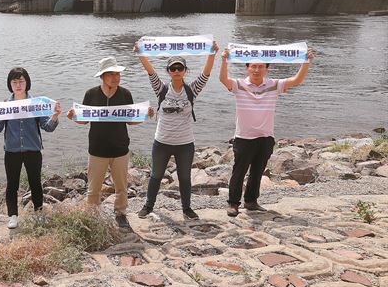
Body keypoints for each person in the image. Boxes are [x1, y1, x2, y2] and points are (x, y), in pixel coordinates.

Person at [219, 47, 315, 217]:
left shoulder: (273, 85)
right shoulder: (239, 85)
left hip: (265, 137)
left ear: (266, 69)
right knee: (239, 171)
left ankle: (251, 201)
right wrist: (224, 61)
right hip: (244, 137)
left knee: (257, 171)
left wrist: (306, 62)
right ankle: (233, 203)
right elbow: (223, 79)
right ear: (247, 68)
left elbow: (297, 80)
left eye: (260, 67)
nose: (256, 70)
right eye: (253, 67)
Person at [134, 41, 219, 220]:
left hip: (185, 143)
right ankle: (148, 206)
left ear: (185, 70)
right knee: (156, 175)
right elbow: (150, 72)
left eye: (180, 68)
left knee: (185, 177)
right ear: (168, 72)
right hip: (162, 142)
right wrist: (140, 53)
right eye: (173, 68)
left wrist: (212, 54)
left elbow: (206, 74)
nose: (177, 71)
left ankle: (186, 208)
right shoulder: (161, 89)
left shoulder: (192, 90)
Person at [67, 57, 153, 229]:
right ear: (102, 77)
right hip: (97, 150)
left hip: (120, 149)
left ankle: (121, 213)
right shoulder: (91, 94)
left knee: (121, 188)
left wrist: (144, 116)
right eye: (111, 74)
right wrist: (73, 117)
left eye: (117, 74)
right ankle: (92, 216)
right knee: (93, 189)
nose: (116, 77)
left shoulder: (125, 94)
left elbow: (130, 120)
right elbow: (84, 121)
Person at [0, 67, 61, 229]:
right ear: (10, 84)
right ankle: (13, 216)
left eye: (21, 81)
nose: (18, 84)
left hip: (33, 150)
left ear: (27, 82)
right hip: (12, 152)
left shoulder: (37, 104)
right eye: (14, 81)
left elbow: (48, 127)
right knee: (12, 184)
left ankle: (38, 213)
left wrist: (55, 115)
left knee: (35, 183)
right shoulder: (5, 106)